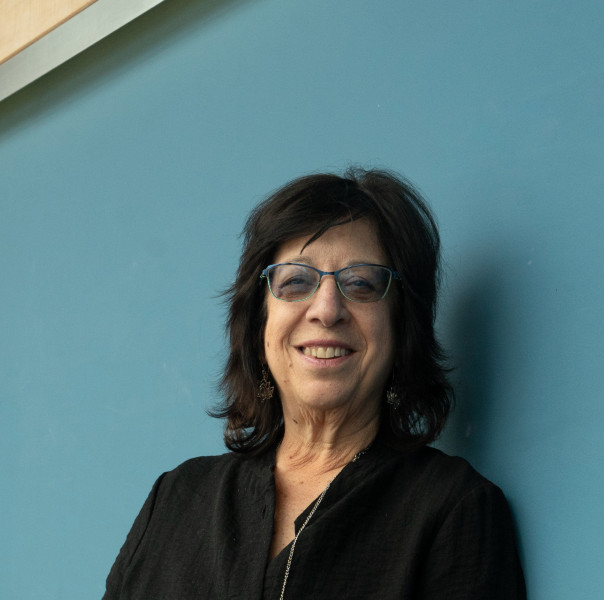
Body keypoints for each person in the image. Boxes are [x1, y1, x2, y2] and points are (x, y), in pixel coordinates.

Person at [103, 168, 526, 599]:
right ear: (259, 324)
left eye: (361, 283)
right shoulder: (176, 497)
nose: (326, 309)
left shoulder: (451, 508)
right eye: (296, 281)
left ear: (403, 329)